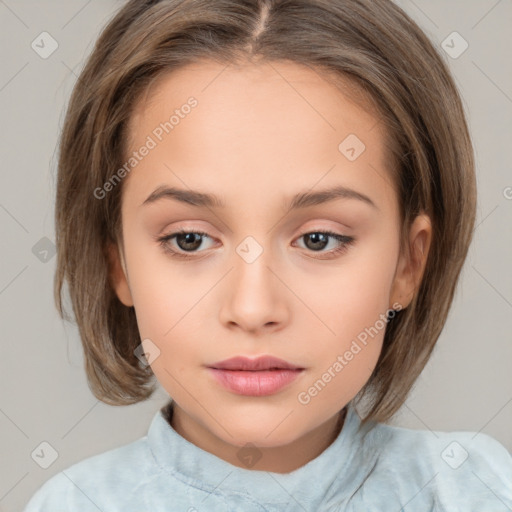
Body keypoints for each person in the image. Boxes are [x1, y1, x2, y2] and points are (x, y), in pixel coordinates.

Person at [24, 0, 512, 510]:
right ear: (118, 263)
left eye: (319, 239)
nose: (253, 309)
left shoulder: (474, 492)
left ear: (408, 264)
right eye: (189, 239)